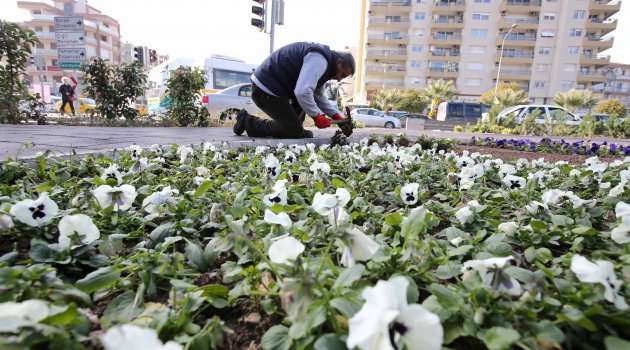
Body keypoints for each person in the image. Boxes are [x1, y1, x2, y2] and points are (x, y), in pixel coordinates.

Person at [233, 42, 355, 139]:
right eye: (342, 74)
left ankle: (294, 130)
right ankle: (247, 121)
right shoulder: (320, 60)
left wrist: (336, 116)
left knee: (296, 130)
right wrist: (317, 117)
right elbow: (302, 92)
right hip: (265, 89)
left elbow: (318, 95)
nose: (339, 79)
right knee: (293, 131)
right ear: (340, 62)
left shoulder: (324, 63)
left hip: (275, 90)